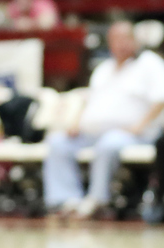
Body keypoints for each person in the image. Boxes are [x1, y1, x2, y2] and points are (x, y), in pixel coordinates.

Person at [43, 20, 164, 219]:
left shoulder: (150, 63)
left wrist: (139, 125)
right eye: (115, 39)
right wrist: (76, 122)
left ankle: (96, 200)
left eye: (125, 38)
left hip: (133, 133)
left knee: (108, 144)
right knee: (57, 143)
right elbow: (89, 100)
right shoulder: (103, 68)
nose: (120, 44)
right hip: (92, 132)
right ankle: (66, 200)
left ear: (135, 41)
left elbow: (160, 99)